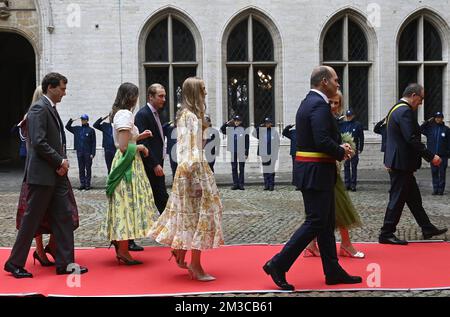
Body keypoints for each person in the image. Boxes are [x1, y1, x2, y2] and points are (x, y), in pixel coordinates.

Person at [262, 66, 362, 290]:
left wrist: (338, 146)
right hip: (316, 172)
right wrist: (341, 150)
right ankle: (278, 264)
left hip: (316, 172)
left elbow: (320, 138)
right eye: (336, 80)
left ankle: (332, 270)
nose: (338, 84)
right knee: (316, 221)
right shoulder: (317, 104)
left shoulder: (311, 101)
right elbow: (321, 140)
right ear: (324, 81)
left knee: (326, 223)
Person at [4, 72, 88, 278]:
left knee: (64, 217)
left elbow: (54, 139)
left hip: (56, 174)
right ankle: (14, 263)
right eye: (62, 88)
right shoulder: (38, 109)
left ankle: (66, 263)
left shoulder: (49, 108)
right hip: (42, 176)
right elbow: (39, 142)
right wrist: (59, 161)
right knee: (31, 220)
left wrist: (60, 164)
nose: (64, 92)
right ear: (50, 87)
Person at [150, 77, 224, 281]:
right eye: (203, 89)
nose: (206, 92)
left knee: (189, 216)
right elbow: (188, 150)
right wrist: (196, 179)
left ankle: (181, 251)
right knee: (201, 217)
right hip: (194, 170)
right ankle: (196, 264)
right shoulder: (190, 117)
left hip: (192, 170)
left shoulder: (188, 115)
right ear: (195, 92)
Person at [379, 83, 448, 245]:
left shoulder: (396, 108)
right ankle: (386, 233)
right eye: (421, 98)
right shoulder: (404, 111)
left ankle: (427, 228)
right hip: (401, 164)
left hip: (400, 162)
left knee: (414, 199)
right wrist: (431, 157)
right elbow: (411, 139)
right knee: (396, 199)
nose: (421, 102)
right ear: (413, 95)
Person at [100, 82, 158, 265]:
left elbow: (122, 140)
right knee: (125, 204)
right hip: (127, 164)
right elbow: (124, 147)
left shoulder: (119, 113)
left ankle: (121, 247)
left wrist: (140, 136)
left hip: (126, 162)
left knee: (123, 203)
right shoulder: (125, 114)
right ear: (131, 97)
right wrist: (141, 146)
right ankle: (123, 251)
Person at [304, 90, 365, 259]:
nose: (332, 105)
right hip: (323, 170)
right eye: (329, 102)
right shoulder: (320, 118)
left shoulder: (338, 121)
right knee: (336, 208)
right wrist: (340, 149)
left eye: (336, 103)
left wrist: (345, 149)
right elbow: (322, 143)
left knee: (329, 209)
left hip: (332, 170)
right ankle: (344, 245)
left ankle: (313, 245)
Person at [135, 83, 169, 214]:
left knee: (161, 194)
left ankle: (166, 225)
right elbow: (144, 142)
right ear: (150, 97)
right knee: (160, 195)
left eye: (164, 96)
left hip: (157, 162)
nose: (164, 99)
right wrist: (154, 164)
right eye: (160, 96)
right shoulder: (143, 115)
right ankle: (167, 225)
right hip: (150, 165)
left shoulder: (155, 113)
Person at [420, 112, 450, 195]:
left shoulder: (446, 129)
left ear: (442, 118)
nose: (438, 119)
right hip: (433, 155)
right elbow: (420, 129)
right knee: (434, 172)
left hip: (443, 156)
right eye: (436, 117)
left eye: (440, 117)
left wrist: (448, 154)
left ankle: (441, 190)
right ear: (434, 118)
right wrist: (427, 121)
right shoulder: (430, 129)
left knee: (442, 173)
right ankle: (435, 189)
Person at [65, 114, 96, 190]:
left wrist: (93, 153)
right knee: (81, 168)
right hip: (80, 151)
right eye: (82, 119)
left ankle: (87, 184)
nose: (83, 121)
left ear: (87, 120)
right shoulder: (77, 129)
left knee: (88, 168)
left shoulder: (91, 130)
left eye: (84, 119)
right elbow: (67, 127)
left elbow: (93, 143)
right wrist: (71, 120)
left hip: (88, 152)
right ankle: (82, 183)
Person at [220, 115, 249, 190]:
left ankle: (241, 184)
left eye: (238, 121)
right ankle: (235, 184)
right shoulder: (230, 129)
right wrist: (227, 123)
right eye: (235, 120)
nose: (236, 122)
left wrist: (246, 153)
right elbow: (222, 130)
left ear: (240, 121)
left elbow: (247, 142)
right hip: (233, 150)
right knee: (234, 167)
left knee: (241, 168)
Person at [339, 110, 364, 191]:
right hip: (345, 148)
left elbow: (361, 137)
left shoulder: (357, 125)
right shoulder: (343, 124)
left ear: (353, 116)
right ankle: (347, 184)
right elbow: (335, 125)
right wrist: (339, 118)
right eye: (347, 116)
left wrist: (360, 148)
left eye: (350, 116)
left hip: (354, 148)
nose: (348, 117)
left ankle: (353, 184)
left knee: (353, 167)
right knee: (346, 166)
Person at [253, 117, 280, 191]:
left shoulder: (274, 132)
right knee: (265, 169)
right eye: (266, 123)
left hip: (272, 154)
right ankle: (266, 185)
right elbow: (254, 133)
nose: (267, 124)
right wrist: (260, 126)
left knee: (271, 169)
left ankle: (271, 185)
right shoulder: (262, 131)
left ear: (271, 123)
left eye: (268, 123)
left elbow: (277, 143)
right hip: (264, 153)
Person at [282, 123, 300, 190]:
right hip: (294, 153)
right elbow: (284, 132)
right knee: (295, 169)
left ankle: (301, 184)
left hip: (302, 153)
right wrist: (289, 126)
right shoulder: (293, 132)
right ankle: (297, 184)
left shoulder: (304, 132)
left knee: (301, 170)